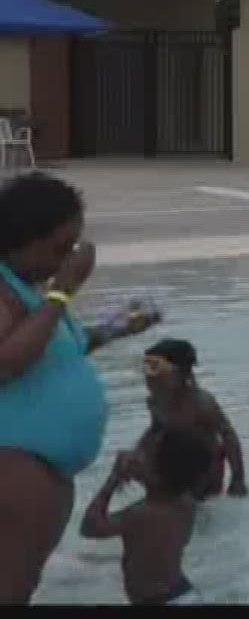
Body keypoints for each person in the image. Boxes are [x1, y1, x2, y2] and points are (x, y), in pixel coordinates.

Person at [0, 171, 116, 604]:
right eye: (59, 247)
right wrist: (63, 291)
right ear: (21, 240)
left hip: (39, 477)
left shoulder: (26, 291)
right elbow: (7, 362)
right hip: (14, 470)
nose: (67, 258)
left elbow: (53, 352)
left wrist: (116, 327)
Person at [79, 428, 215, 606]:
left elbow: (89, 526)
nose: (133, 456)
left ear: (159, 474)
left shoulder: (141, 514)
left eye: (142, 453)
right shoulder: (185, 503)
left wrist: (113, 479)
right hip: (181, 594)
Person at [136, 339, 248, 499]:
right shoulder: (155, 401)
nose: (149, 377)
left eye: (155, 368)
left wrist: (238, 479)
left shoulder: (201, 403)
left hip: (208, 466)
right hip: (178, 462)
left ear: (182, 373)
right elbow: (156, 430)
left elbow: (228, 436)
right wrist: (138, 455)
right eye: (145, 368)